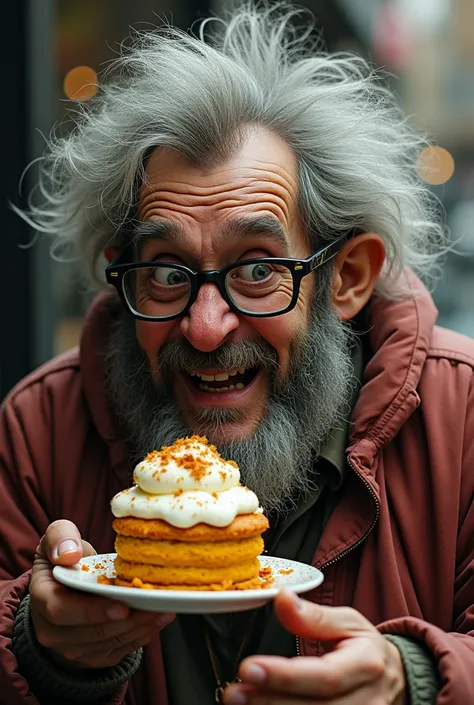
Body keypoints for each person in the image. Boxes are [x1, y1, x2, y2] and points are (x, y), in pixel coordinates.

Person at [1, 3, 473, 704]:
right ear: (118, 266)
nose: (207, 325)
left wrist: (417, 675)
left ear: (346, 277)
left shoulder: (460, 417)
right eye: (166, 272)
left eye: (257, 270)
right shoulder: (40, 428)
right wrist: (41, 648)